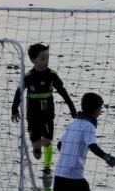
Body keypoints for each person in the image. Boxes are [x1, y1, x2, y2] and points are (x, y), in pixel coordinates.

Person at [11, 43, 77, 174]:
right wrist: (14, 109)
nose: (45, 61)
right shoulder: (28, 77)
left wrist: (72, 108)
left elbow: (63, 92)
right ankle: (36, 148)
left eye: (47, 58)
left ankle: (47, 167)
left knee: (47, 141)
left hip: (48, 113)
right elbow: (18, 93)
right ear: (33, 60)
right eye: (42, 58)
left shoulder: (52, 75)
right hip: (32, 115)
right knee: (37, 145)